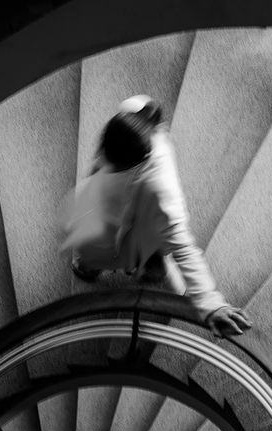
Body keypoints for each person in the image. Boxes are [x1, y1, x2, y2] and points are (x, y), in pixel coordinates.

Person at [62, 94, 251, 338]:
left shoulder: (162, 192)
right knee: (100, 242)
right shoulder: (129, 125)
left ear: (135, 167)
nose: (102, 161)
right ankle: (121, 265)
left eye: (113, 165)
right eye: (103, 152)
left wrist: (211, 303)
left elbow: (183, 245)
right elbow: (143, 107)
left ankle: (146, 269)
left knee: (135, 253)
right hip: (127, 219)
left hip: (144, 227)